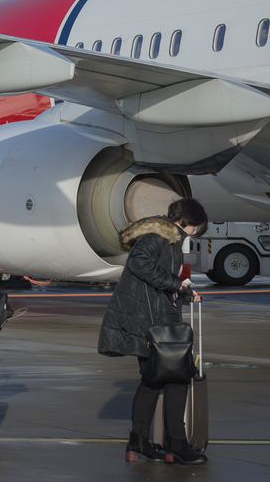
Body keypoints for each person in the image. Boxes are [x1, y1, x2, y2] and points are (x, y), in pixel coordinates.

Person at [98, 199, 209, 466]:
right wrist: (176, 284)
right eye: (194, 227)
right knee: (176, 379)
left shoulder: (164, 237)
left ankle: (139, 442)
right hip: (151, 322)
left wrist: (182, 293)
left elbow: (156, 284)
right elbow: (140, 265)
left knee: (153, 380)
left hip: (151, 319)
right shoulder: (158, 238)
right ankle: (176, 444)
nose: (194, 233)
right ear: (184, 222)